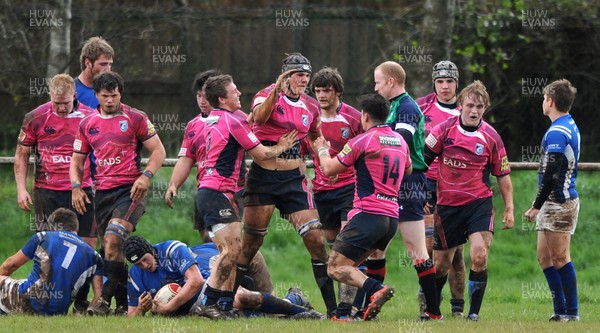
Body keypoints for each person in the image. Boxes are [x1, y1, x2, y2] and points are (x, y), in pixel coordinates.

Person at [236, 53, 337, 317]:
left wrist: (326, 159)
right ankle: (224, 303)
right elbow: (258, 118)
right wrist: (276, 92)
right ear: (286, 76)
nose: (304, 79)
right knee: (250, 246)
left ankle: (334, 311)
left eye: (306, 75)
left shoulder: (311, 106)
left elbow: (316, 136)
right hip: (263, 177)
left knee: (316, 239)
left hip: (293, 179)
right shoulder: (266, 94)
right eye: (298, 74)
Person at [195, 74, 297, 318]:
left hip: (211, 192)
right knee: (230, 252)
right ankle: (207, 302)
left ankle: (219, 304)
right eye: (235, 91)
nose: (240, 94)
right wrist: (282, 147)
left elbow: (247, 123)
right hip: (216, 191)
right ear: (222, 98)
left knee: (231, 251)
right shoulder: (232, 121)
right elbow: (261, 154)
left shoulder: (216, 118)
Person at [70, 71, 166, 316]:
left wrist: (146, 176)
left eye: (114, 95)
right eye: (105, 96)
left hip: (131, 190)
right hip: (102, 193)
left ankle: (102, 300)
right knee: (111, 251)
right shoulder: (87, 124)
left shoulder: (136, 118)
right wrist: (76, 186)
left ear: (120, 93)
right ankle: (124, 305)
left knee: (113, 239)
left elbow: (159, 152)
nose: (110, 100)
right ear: (96, 96)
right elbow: (77, 161)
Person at [313, 93, 411, 321]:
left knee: (334, 268)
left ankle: (377, 289)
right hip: (390, 220)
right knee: (351, 265)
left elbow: (328, 169)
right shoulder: (400, 141)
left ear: (364, 117)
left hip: (368, 214)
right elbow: (407, 169)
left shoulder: (362, 140)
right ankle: (349, 313)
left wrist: (322, 149)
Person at [424, 80, 514, 321]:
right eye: (471, 105)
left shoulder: (492, 137)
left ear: (485, 109)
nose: (474, 111)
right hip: (447, 205)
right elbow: (423, 161)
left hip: (478, 204)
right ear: (461, 105)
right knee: (441, 265)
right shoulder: (443, 130)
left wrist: (509, 208)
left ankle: (473, 314)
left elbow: (503, 175)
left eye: (480, 107)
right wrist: (422, 192)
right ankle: (432, 309)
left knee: (479, 254)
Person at [15, 74, 97, 315]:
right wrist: (21, 189)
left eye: (66, 102)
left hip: (82, 189)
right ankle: (43, 300)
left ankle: (82, 303)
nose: (61, 107)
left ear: (75, 95)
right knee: (49, 248)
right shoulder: (36, 117)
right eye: (57, 102)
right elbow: (21, 154)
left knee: (88, 245)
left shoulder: (90, 116)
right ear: (50, 96)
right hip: (47, 191)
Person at [373, 61, 441, 320]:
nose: (375, 87)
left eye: (378, 82)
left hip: (410, 183)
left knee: (416, 249)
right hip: (390, 181)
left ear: (391, 81)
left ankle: (434, 312)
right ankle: (372, 305)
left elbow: (397, 143)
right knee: (377, 248)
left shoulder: (408, 108)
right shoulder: (393, 107)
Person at [124, 236, 323, 319]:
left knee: (242, 298)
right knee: (244, 313)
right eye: (138, 264)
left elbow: (196, 281)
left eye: (145, 259)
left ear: (150, 250)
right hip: (196, 300)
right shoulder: (135, 276)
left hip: (206, 284)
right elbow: (132, 314)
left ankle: (298, 306)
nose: (145, 266)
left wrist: (169, 307)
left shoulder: (171, 250)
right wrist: (142, 309)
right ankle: (292, 302)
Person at [304, 67, 362, 319]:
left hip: (350, 188)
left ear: (338, 91)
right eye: (317, 90)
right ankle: (347, 305)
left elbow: (367, 148)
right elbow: (303, 152)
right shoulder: (308, 118)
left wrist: (343, 166)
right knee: (333, 247)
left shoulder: (354, 117)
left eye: (326, 90)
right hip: (322, 191)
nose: (321, 95)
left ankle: (347, 308)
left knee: (345, 248)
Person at [524, 79, 580, 322]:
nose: (542, 101)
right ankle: (560, 310)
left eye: (544, 97)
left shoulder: (558, 131)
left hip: (559, 203)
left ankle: (572, 313)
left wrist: (536, 206)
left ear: (551, 101)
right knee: (544, 257)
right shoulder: (566, 123)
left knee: (560, 257)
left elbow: (552, 174)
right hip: (553, 203)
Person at [415, 60, 465, 317]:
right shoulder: (420, 106)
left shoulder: (466, 110)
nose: (445, 86)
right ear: (434, 83)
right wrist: (417, 185)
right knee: (429, 246)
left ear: (457, 83)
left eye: (449, 81)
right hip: (426, 185)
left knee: (456, 252)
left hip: (455, 188)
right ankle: (427, 304)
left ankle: (458, 308)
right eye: (440, 81)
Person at [0, 208, 104, 315]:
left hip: (27, 302)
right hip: (58, 312)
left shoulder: (44, 236)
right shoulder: (95, 256)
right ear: (76, 227)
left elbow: (10, 265)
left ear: (53, 227)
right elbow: (99, 297)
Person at [165, 69, 222, 242]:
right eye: (198, 96)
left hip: (228, 190)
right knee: (207, 239)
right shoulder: (193, 125)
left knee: (224, 241)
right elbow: (186, 159)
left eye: (206, 96)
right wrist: (173, 185)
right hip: (204, 191)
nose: (202, 101)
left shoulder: (233, 119)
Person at [75, 36, 114, 108]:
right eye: (103, 64)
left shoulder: (111, 90)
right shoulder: (71, 90)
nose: (108, 69)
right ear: (88, 63)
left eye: (110, 64)